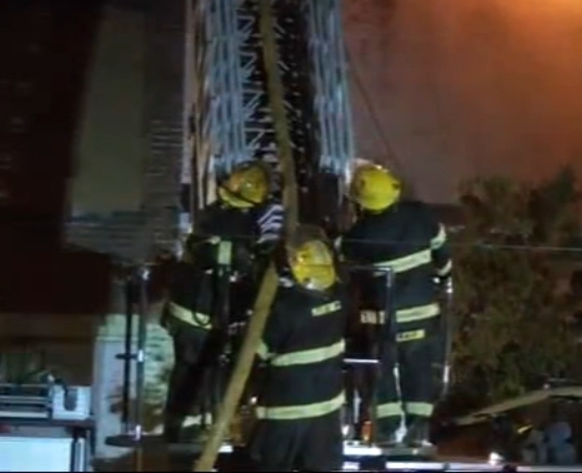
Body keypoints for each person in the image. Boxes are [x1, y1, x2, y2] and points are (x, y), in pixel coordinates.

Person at [161, 161, 283, 443]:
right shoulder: (237, 221)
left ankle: (190, 425)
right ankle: (189, 427)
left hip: (195, 309)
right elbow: (233, 259)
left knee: (194, 369)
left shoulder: (214, 212)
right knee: (199, 369)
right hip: (202, 312)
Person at [338, 159, 452, 448]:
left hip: (383, 322)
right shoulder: (421, 216)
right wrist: (443, 274)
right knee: (419, 369)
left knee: (382, 371)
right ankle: (418, 429)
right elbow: (442, 256)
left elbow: (338, 254)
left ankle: (388, 430)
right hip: (422, 315)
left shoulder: (360, 236)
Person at [244, 232, 348, 472]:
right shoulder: (340, 298)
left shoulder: (286, 308)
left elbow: (257, 352)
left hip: (285, 409)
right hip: (326, 410)